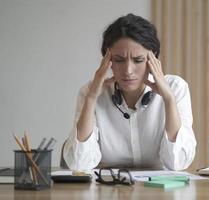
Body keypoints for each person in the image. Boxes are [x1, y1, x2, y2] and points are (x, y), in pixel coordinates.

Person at [63, 13, 196, 171]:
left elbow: (178, 163)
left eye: (138, 60)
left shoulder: (175, 88)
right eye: (119, 60)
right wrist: (91, 98)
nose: (128, 71)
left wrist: (169, 99)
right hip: (107, 189)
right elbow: (79, 164)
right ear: (107, 61)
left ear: (153, 59)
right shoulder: (90, 92)